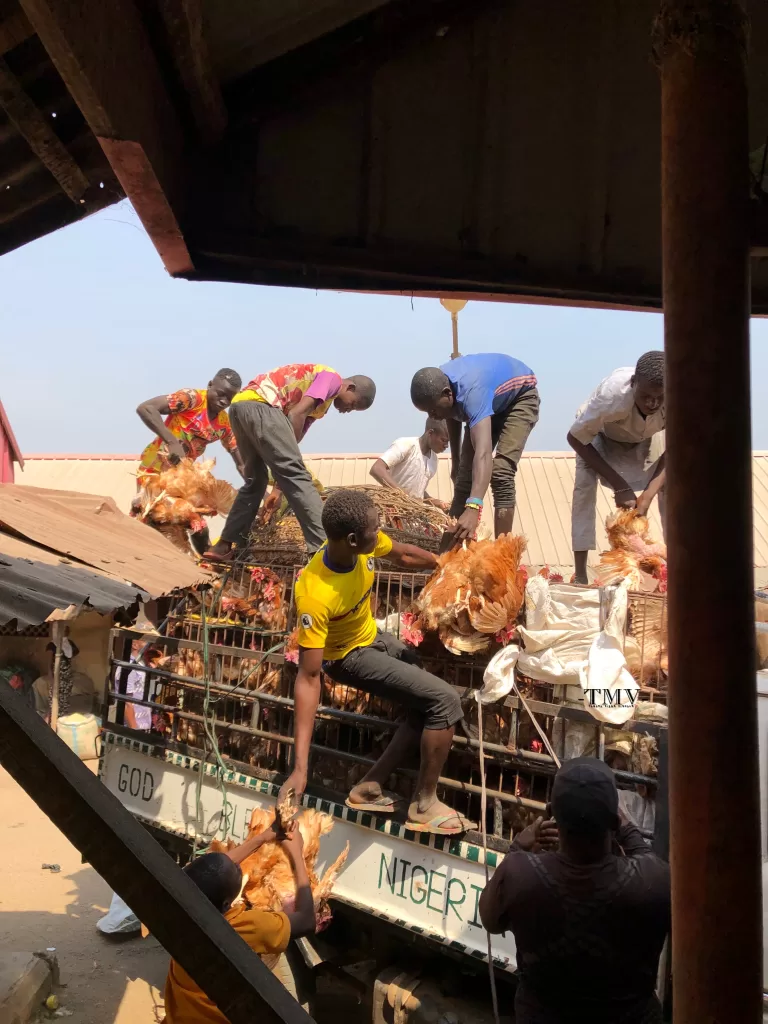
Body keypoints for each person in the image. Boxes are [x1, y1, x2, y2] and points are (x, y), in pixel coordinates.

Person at [278, 489, 473, 835]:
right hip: (348, 658)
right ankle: (424, 805)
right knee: (444, 701)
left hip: (372, 636)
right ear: (353, 540)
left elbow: (402, 554)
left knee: (423, 704)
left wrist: (442, 562)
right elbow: (308, 679)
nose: (380, 531)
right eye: (375, 527)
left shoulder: (361, 543)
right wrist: (300, 768)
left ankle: (368, 787)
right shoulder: (314, 593)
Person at [480, 757, 670, 1024]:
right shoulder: (653, 880)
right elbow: (648, 861)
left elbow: (490, 920)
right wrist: (628, 830)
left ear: (554, 817)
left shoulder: (519, 872)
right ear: (614, 821)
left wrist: (516, 848)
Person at [205, 364, 376, 563]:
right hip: (263, 407)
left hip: (239, 409)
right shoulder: (332, 379)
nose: (348, 410)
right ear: (351, 388)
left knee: (256, 481)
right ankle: (324, 549)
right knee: (300, 477)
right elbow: (296, 415)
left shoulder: (322, 405)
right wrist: (291, 468)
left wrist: (278, 488)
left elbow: (293, 437)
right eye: (353, 404)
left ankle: (223, 546)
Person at [164, 821, 315, 1024]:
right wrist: (297, 854)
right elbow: (306, 921)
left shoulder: (177, 904)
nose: (237, 864)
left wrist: (263, 837)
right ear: (227, 902)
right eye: (236, 870)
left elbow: (215, 868)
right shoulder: (247, 926)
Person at [410, 354, 539, 543]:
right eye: (427, 412)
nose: (432, 416)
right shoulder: (443, 389)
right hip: (491, 399)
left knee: (501, 471)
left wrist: (474, 507)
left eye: (433, 410)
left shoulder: (472, 394)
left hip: (519, 397)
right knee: (464, 479)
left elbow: (483, 452)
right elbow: (451, 415)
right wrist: (456, 463)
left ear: (448, 394)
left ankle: (501, 554)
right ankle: (445, 560)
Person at [567, 351, 665, 584]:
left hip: (646, 438)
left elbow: (679, 449)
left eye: (659, 398)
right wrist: (620, 486)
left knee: (672, 482)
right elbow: (575, 438)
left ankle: (676, 569)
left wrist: (648, 495)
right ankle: (580, 574)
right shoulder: (612, 399)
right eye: (645, 396)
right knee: (584, 488)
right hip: (600, 437)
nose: (652, 403)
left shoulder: (679, 398)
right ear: (633, 385)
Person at [136, 369, 245, 484]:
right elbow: (146, 408)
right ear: (210, 385)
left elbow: (242, 463)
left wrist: (256, 487)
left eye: (230, 398)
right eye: (220, 394)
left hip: (179, 480)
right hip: (152, 472)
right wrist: (172, 442)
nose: (224, 401)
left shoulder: (224, 424)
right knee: (145, 501)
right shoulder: (192, 399)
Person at [369, 417, 449, 505]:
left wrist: (433, 501)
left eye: (448, 442)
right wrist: (402, 495)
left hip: (414, 511)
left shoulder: (434, 460)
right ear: (430, 433)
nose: (446, 446)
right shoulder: (406, 445)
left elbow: (417, 490)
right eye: (444, 440)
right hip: (393, 508)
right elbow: (377, 469)